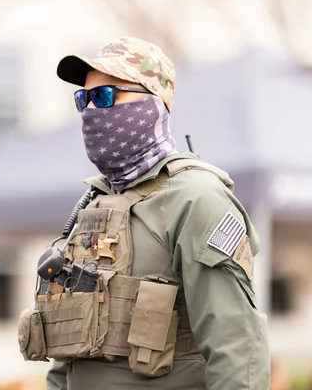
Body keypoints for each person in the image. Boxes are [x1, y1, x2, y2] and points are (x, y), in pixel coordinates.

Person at [19, 37, 269, 389]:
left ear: (153, 103)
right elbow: (69, 357)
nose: (92, 111)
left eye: (106, 96)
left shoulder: (196, 199)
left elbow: (238, 347)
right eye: (84, 99)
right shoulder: (94, 203)